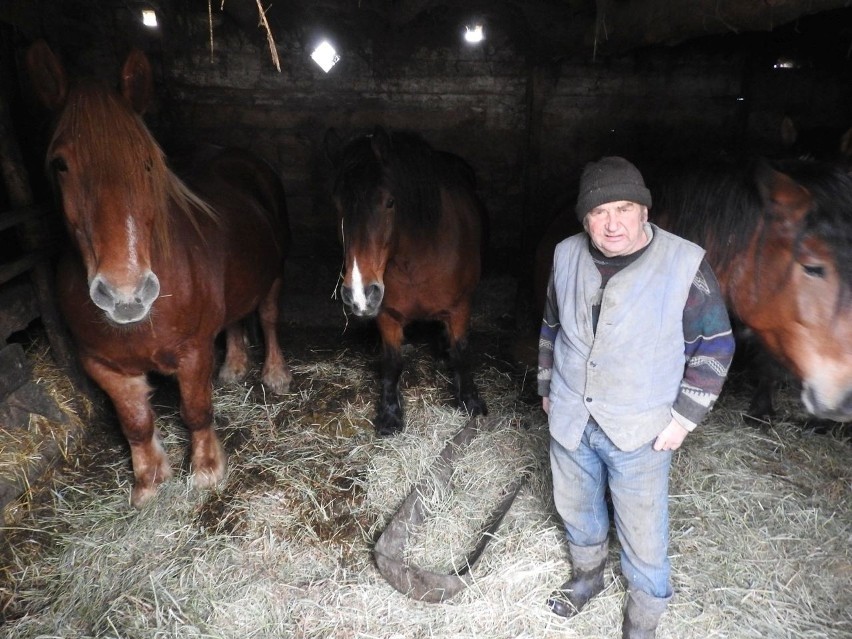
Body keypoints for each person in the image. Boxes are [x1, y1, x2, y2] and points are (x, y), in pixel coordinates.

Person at [537, 156, 735, 638]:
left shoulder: (684, 263)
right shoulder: (565, 254)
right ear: (585, 218)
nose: (613, 223)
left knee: (644, 530)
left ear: (645, 211)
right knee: (576, 506)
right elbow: (550, 326)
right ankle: (588, 577)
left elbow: (716, 344)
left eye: (624, 208)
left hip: (641, 428)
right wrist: (546, 388)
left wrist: (683, 419)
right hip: (569, 417)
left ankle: (643, 617)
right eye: (600, 212)